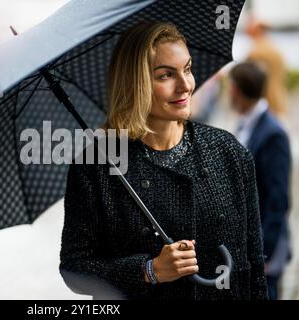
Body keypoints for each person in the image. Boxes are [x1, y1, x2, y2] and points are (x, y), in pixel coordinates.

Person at [59, 22, 268, 300]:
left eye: (188, 69)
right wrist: (149, 270)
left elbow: (254, 266)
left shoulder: (229, 152)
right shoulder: (96, 165)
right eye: (166, 75)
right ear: (136, 82)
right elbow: (75, 268)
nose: (185, 85)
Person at [229, 62, 292, 300]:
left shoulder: (273, 133)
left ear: (235, 90)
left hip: (267, 246)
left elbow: (278, 199)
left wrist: (263, 253)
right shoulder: (247, 123)